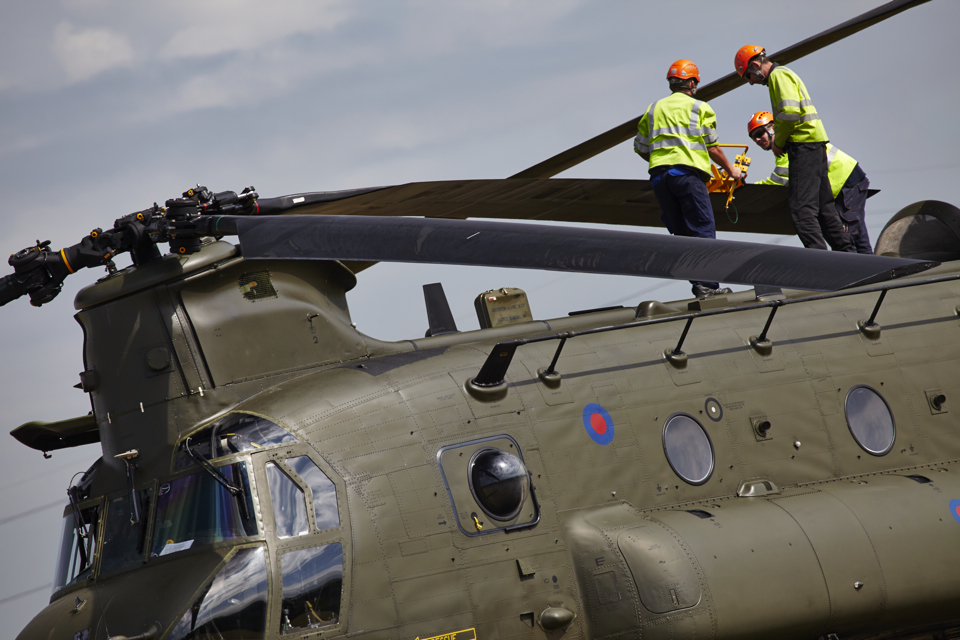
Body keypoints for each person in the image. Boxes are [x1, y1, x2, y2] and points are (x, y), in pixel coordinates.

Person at [635, 59, 742, 298]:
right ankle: (709, 286)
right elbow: (712, 148)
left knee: (681, 233)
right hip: (687, 176)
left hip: (660, 179)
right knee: (702, 229)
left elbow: (641, 148)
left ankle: (700, 284)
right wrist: (731, 170)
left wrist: (663, 161)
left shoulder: (654, 109)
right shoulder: (700, 108)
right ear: (692, 82)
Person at [734, 45, 853, 252]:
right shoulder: (783, 75)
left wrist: (778, 143)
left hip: (803, 146)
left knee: (801, 210)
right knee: (824, 209)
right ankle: (848, 256)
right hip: (814, 145)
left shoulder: (777, 76)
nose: (751, 82)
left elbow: (789, 113)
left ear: (755, 65)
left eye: (748, 77)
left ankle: (820, 262)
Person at [747, 111, 873, 253]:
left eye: (759, 134)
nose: (757, 140)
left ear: (772, 128)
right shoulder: (782, 148)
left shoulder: (787, 144)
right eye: (753, 138)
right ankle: (869, 267)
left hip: (845, 181)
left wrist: (746, 189)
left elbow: (779, 182)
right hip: (843, 182)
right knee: (851, 236)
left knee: (851, 235)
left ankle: (866, 269)